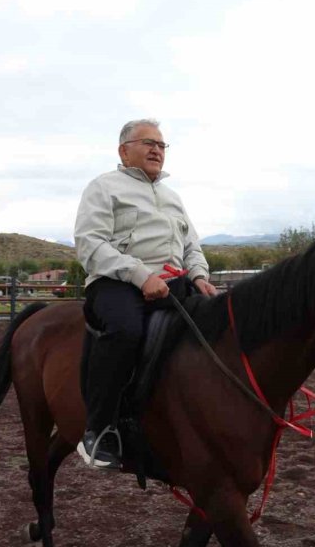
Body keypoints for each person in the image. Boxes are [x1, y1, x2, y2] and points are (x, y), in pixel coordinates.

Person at [74, 118, 217, 470]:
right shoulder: (104, 187)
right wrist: (140, 275)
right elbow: (90, 243)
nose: (157, 149)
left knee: (217, 327)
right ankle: (100, 429)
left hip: (173, 282)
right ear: (124, 151)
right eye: (148, 143)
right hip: (117, 282)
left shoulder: (173, 198)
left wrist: (199, 275)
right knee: (126, 330)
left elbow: (191, 244)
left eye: (162, 145)